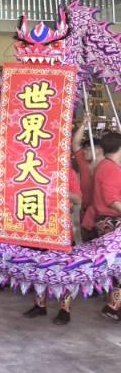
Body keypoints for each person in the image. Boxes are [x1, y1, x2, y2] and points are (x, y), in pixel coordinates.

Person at [90, 132, 121, 321]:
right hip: (112, 221)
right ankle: (113, 306)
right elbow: (112, 200)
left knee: (116, 267)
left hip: (104, 220)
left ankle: (113, 304)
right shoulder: (111, 169)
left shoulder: (104, 165)